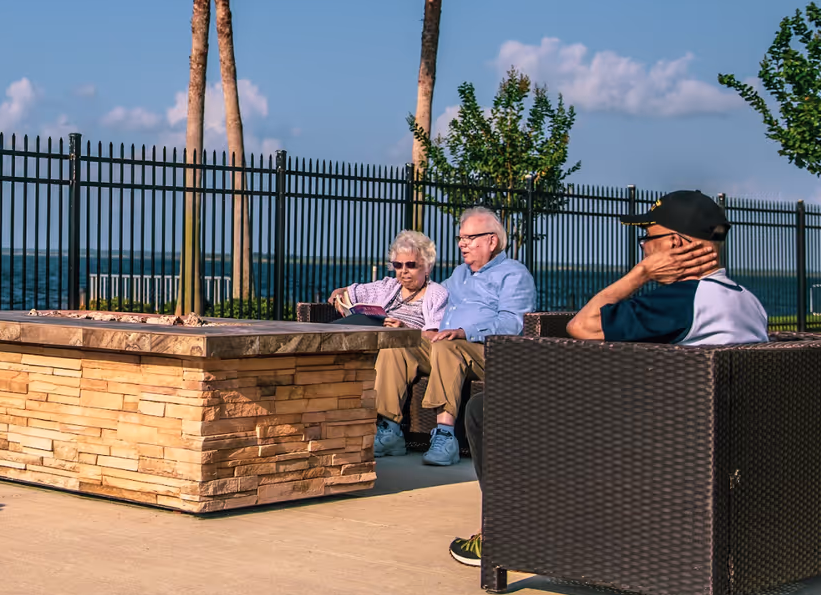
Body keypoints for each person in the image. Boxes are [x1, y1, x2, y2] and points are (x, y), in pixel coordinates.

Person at [448, 190, 767, 567]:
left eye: (647, 239)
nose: (643, 250)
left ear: (675, 244)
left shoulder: (684, 300)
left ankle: (503, 532)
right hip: (717, 441)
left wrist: (641, 275)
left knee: (488, 409)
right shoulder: (748, 300)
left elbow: (580, 326)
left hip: (656, 451)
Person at [380, 207, 537, 467]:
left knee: (447, 347)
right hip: (449, 348)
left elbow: (513, 322)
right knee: (398, 343)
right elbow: (430, 301)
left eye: (469, 238)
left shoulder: (514, 274)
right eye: (460, 238)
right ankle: (389, 430)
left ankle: (445, 435)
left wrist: (465, 332)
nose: (462, 244)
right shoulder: (459, 274)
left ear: (492, 241)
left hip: (490, 353)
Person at [325, 231, 449, 457]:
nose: (403, 271)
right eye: (398, 265)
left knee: (392, 348)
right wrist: (339, 299)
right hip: (383, 344)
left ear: (427, 267)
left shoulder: (437, 294)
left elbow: (436, 338)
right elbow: (344, 291)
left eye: (411, 265)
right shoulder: (387, 287)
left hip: (418, 348)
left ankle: (390, 428)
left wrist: (405, 329)